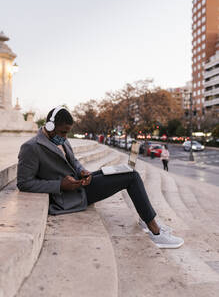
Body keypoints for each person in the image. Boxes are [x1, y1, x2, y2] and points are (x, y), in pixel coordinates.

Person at [17, 106, 184, 249]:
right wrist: (60, 185)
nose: (65, 137)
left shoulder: (61, 139)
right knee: (131, 177)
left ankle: (146, 218)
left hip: (79, 184)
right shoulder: (31, 148)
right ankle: (155, 232)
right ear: (49, 125)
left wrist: (83, 171)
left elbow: (73, 162)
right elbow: (24, 183)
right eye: (62, 132)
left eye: (67, 132)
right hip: (69, 195)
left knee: (125, 171)